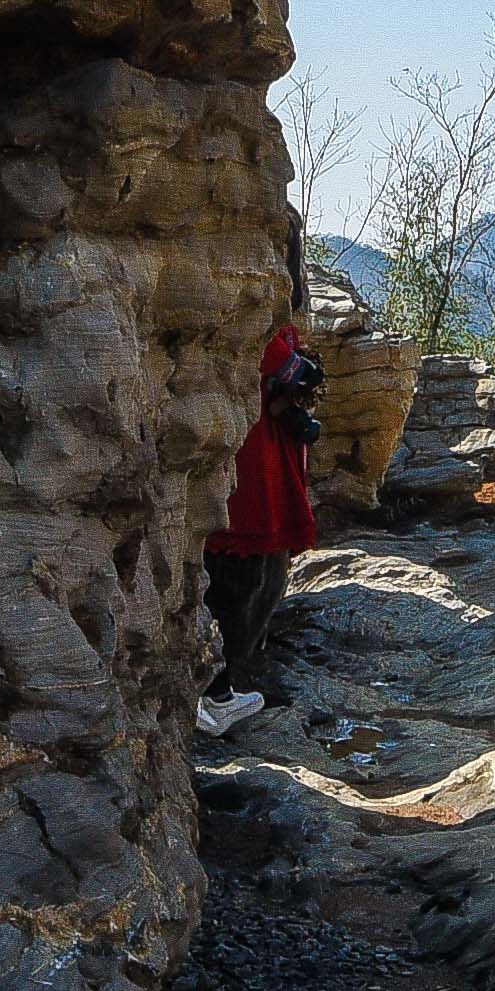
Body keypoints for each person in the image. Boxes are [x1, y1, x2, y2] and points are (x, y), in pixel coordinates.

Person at [195, 282, 325, 739]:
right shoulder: (238, 301)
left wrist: (298, 373)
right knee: (238, 570)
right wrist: (292, 371)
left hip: (265, 452)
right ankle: (213, 692)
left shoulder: (272, 310)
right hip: (248, 457)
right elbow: (256, 348)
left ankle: (223, 685)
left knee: (263, 572)